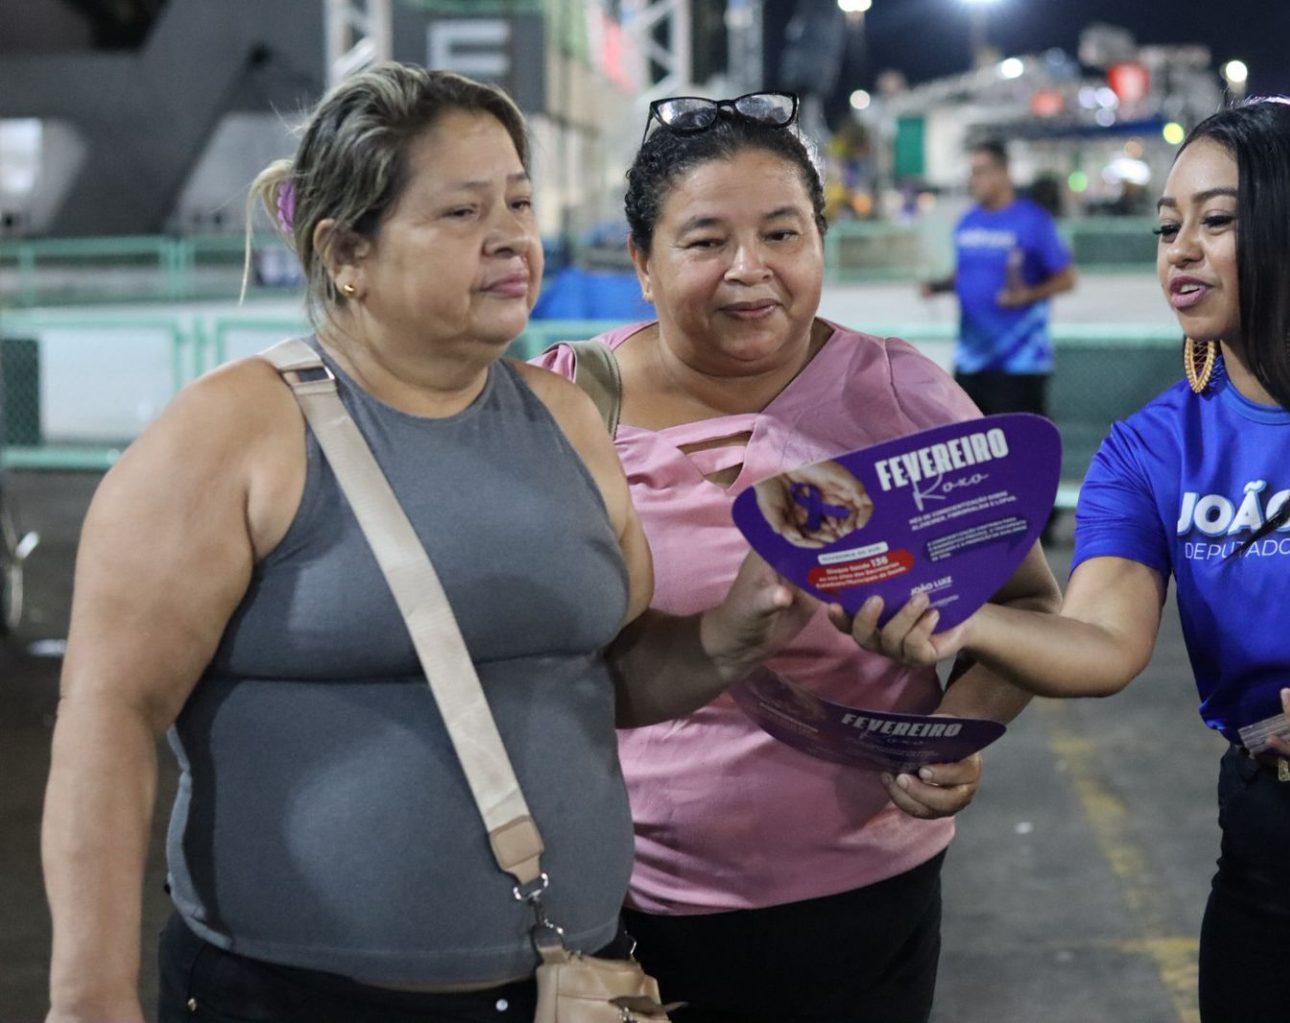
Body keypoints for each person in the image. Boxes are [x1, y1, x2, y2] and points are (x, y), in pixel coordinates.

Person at [41, 64, 812, 1023]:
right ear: (347, 251)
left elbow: (603, 674)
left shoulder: (565, 418)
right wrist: (89, 996)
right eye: (460, 213)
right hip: (292, 997)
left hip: (569, 983)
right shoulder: (233, 435)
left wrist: (729, 636)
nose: (512, 238)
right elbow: (109, 715)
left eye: (519, 202)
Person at [850, 98, 1290, 1022]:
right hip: (1269, 855)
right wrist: (963, 617)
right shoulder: (1149, 449)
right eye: (1169, 225)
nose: (1180, 248)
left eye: (1217, 221)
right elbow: (1101, 642)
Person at [530, 92, 1061, 1023]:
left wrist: (960, 732)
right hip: (617, 899)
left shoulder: (899, 396)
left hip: (858, 899)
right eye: (705, 241)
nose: (751, 271)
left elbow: (1029, 607)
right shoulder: (575, 402)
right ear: (642, 264)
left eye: (783, 234)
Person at [921, 140, 1077, 422]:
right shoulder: (966, 222)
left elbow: (1066, 279)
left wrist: (1027, 295)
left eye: (980, 171)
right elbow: (965, 274)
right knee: (972, 452)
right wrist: (938, 286)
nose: (973, 180)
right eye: (971, 172)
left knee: (1022, 455)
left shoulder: (1032, 220)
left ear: (1003, 173)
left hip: (1020, 363)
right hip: (971, 360)